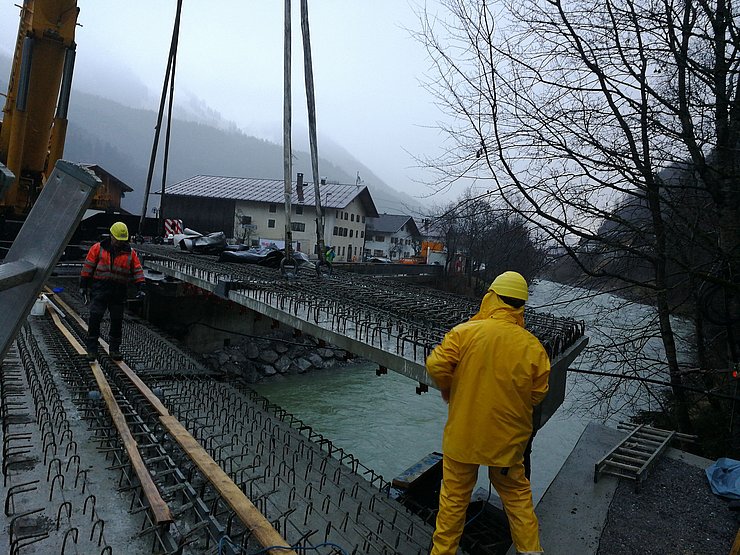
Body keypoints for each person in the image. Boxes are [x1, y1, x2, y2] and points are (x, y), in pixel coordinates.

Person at [426, 271, 550, 555]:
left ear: (490, 297)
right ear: (520, 306)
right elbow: (538, 393)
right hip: (507, 442)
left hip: (464, 438)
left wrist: (448, 388)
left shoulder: (464, 333)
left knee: (454, 501)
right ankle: (531, 551)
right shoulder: (533, 347)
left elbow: (436, 365)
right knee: (517, 496)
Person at [79, 222, 146, 361]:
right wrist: (83, 285)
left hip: (118, 291)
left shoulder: (130, 253)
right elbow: (88, 267)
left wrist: (141, 287)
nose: (119, 243)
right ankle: (92, 350)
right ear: (111, 236)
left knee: (116, 321)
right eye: (117, 240)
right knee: (95, 318)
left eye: (122, 240)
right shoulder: (98, 249)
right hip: (100, 289)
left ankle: (114, 350)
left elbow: (137, 270)